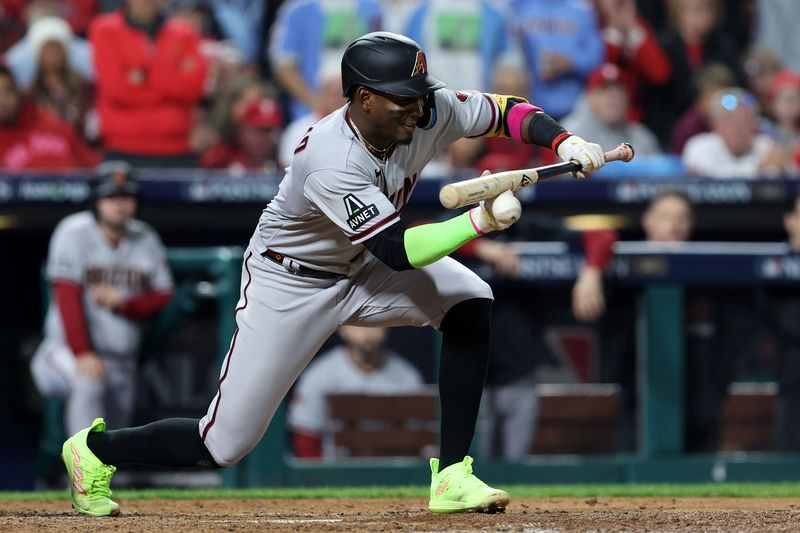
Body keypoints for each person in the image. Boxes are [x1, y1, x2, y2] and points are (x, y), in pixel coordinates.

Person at [60, 31, 607, 517]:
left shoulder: (428, 108)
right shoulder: (330, 157)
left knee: (470, 299)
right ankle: (93, 451)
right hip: (290, 282)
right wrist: (478, 221)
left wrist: (565, 141)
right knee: (220, 446)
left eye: (420, 97)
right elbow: (397, 248)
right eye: (403, 100)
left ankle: (452, 476)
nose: (418, 112)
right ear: (363, 98)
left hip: (360, 266)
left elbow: (506, 111)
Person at [30, 162, 174, 439]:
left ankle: (98, 479)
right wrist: (82, 351)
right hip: (63, 352)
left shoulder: (146, 237)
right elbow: (66, 294)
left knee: (115, 435)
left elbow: (164, 295)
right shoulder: (73, 231)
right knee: (88, 385)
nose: (120, 204)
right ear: (96, 201)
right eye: (111, 197)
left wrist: (126, 304)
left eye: (126, 197)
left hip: (122, 359)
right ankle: (81, 477)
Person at [89, 0, 208, 167]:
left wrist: (145, 76)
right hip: (123, 148)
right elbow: (117, 89)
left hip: (179, 148)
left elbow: (193, 87)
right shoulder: (104, 28)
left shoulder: (184, 32)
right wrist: (173, 74)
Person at [288, 326, 424, 459]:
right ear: (342, 329)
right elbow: (306, 439)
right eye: (359, 322)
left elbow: (421, 441)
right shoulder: (320, 374)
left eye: (376, 323)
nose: (367, 329)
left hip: (393, 471)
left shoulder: (406, 375)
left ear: (388, 327)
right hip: (336, 471)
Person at [268, 0, 382, 120]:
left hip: (362, 113)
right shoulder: (297, 9)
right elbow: (284, 65)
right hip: (311, 116)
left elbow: (382, 58)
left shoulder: (373, 7)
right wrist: (314, 102)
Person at [513, 0, 605, 119]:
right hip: (530, 106)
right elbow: (506, 58)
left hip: (576, 109)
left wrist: (571, 63)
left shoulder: (582, 10)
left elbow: (598, 59)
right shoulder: (518, 6)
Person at [0, 64, 98, 169]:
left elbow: (93, 165)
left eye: (8, 91)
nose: (3, 100)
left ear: (18, 92)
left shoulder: (53, 125)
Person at [682, 88, 791, 178]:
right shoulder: (700, 145)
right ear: (717, 125)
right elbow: (713, 176)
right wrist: (759, 169)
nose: (739, 128)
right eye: (731, 121)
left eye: (745, 121)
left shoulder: (766, 145)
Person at [562, 63, 661, 157]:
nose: (614, 99)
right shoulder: (570, 134)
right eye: (606, 91)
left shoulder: (640, 136)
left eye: (620, 92)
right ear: (590, 97)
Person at [200, 97, 283, 173]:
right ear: (242, 130)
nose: (263, 138)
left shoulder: (280, 171)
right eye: (259, 130)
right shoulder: (220, 162)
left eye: (269, 131)